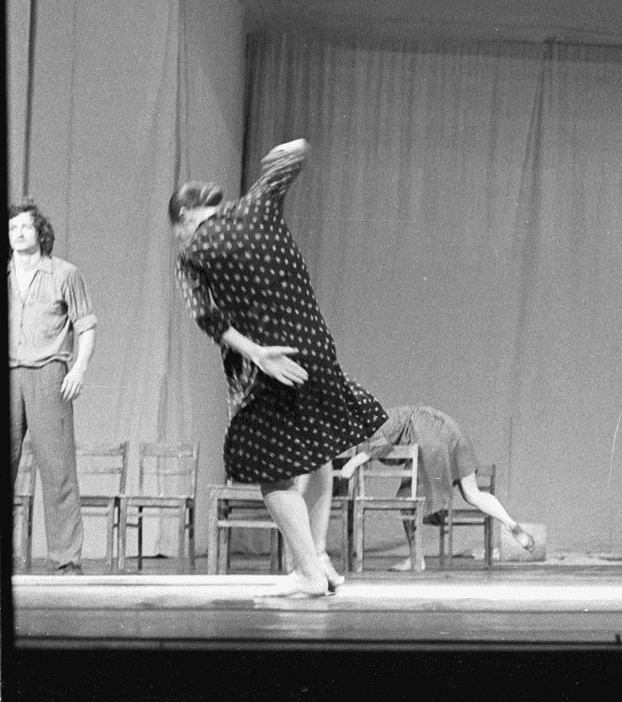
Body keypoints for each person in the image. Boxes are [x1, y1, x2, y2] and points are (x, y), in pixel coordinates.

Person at [172, 139, 387, 597]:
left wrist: (256, 352)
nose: (182, 237)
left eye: (179, 228)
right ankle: (318, 558)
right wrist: (286, 152)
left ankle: (308, 572)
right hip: (314, 349)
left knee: (271, 472)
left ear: (187, 217)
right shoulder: (257, 206)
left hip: (266, 368)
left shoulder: (192, 252)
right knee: (318, 447)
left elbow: (207, 317)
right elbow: (294, 153)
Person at [339, 404, 535, 571]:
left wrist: (351, 464)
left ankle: (417, 558)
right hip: (452, 432)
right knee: (472, 494)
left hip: (430, 435)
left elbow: (379, 444)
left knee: (407, 500)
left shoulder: (375, 424)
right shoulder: (391, 415)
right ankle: (510, 523)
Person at [9, 199, 95, 574]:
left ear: (40, 231)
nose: (18, 233)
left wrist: (78, 368)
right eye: (12, 228)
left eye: (25, 227)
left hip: (48, 373)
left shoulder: (65, 274)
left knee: (58, 470)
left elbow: (87, 325)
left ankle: (66, 559)